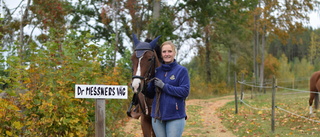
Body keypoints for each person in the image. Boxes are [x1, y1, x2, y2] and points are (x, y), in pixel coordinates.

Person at [146, 41, 190, 137]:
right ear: (161, 54)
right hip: (157, 117)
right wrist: (144, 87)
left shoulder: (181, 71)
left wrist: (164, 86)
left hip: (175, 116)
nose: (167, 54)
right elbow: (150, 94)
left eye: (169, 51)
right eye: (164, 52)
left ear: (174, 53)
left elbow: (184, 91)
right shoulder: (157, 71)